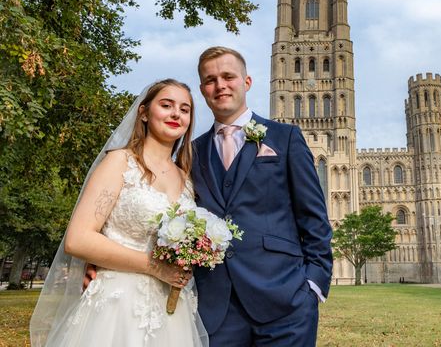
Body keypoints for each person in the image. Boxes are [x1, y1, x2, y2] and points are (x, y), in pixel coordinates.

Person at [30, 79, 209, 347]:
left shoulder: (187, 180)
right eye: (166, 105)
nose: (176, 114)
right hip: (117, 307)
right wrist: (155, 267)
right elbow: (77, 239)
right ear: (144, 112)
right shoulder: (120, 162)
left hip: (172, 314)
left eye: (185, 109)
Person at [192, 47, 333, 346]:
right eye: (210, 80)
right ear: (203, 89)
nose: (220, 85)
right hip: (217, 308)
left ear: (247, 82)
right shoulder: (192, 152)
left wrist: (314, 285)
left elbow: (314, 218)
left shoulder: (285, 137)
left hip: (286, 303)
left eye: (228, 76)